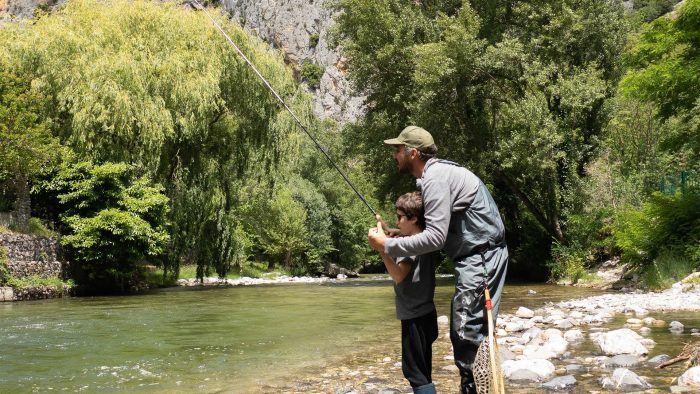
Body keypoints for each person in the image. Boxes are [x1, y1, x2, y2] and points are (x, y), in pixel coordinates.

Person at [367, 126, 508, 394]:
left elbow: (435, 238)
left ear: (413, 153)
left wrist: (387, 245)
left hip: (482, 257)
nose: (394, 155)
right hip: (476, 257)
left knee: (466, 332)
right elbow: (431, 228)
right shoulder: (432, 178)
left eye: (398, 150)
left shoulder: (436, 179)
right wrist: (400, 235)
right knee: (466, 331)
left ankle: (475, 388)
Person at [370, 191, 439, 394]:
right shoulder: (424, 238)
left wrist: (383, 249)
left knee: (414, 373)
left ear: (414, 217)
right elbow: (409, 241)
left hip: (414, 317)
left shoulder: (408, 246)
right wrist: (393, 235)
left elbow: (399, 275)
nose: (397, 221)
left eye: (400, 217)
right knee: (423, 371)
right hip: (427, 315)